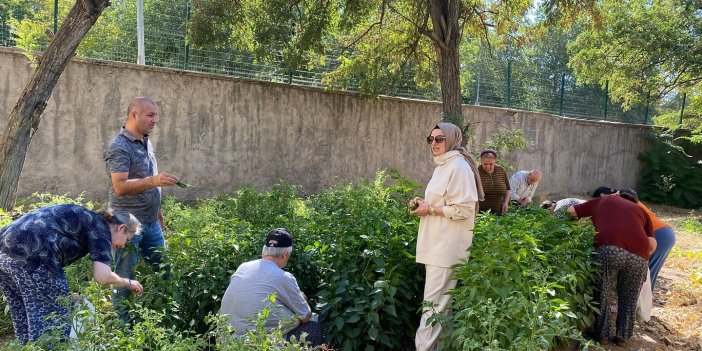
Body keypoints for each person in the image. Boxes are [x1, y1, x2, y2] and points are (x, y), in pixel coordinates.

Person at [0, 204, 143, 344]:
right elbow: (102, 277)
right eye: (127, 240)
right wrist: (128, 283)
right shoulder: (101, 228)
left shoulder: (88, 217)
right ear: (121, 228)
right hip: (32, 256)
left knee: (25, 316)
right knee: (54, 322)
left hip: (4, 252)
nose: (123, 246)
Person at [409, 123, 483, 351]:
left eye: (439, 139)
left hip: (445, 249)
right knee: (442, 307)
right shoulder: (443, 166)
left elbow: (464, 210)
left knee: (433, 308)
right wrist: (425, 205)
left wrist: (429, 209)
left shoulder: (458, 167)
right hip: (436, 247)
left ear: (451, 140)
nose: (434, 143)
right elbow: (443, 203)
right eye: (430, 139)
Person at [104, 96, 178, 318]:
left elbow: (144, 176)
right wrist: (154, 182)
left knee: (164, 270)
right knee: (124, 275)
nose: (155, 120)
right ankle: (122, 325)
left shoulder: (146, 140)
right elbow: (120, 187)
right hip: (125, 224)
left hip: (150, 220)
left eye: (156, 115)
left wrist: (156, 209)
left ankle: (169, 315)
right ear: (134, 115)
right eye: (150, 115)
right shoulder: (119, 146)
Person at [567, 189, 656, 347]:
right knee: (629, 297)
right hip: (639, 255)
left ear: (617, 194)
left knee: (603, 290)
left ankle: (603, 336)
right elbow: (652, 245)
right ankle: (623, 338)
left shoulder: (605, 200)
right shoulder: (642, 212)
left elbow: (572, 211)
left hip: (610, 247)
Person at [219, 228, 325, 347]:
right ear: (285, 254)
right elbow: (305, 316)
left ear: (264, 250)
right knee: (313, 328)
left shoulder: (243, 267)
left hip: (231, 340)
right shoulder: (284, 277)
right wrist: (302, 298)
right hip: (262, 343)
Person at [593, 187, 675, 290]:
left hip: (657, 234)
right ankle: (643, 303)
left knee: (642, 275)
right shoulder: (628, 198)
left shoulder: (618, 202)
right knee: (648, 273)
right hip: (666, 233)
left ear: (602, 196)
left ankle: (640, 304)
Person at [477, 149, 510, 214]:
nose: (488, 167)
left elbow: (508, 189)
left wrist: (506, 203)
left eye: (491, 164)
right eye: (485, 164)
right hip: (481, 214)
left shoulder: (501, 170)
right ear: (481, 161)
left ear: (495, 161)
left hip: (500, 211)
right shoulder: (477, 172)